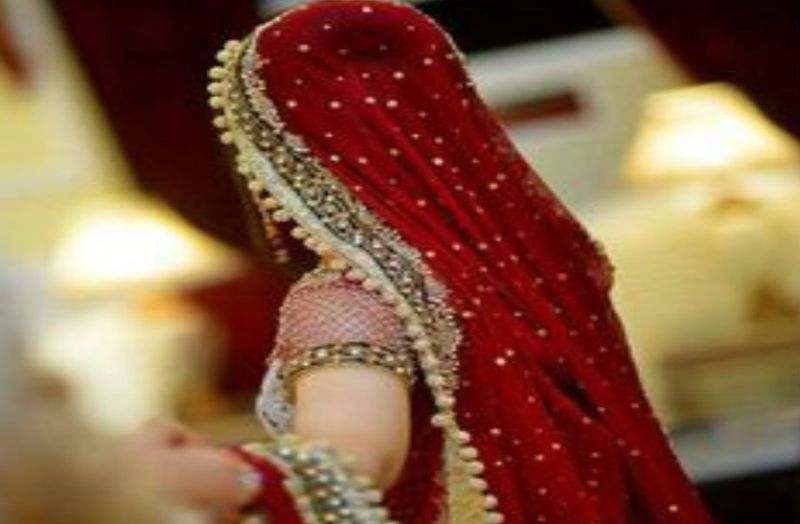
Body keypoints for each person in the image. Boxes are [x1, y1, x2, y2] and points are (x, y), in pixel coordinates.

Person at [206, 1, 715, 523]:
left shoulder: (349, 297)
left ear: (276, 149)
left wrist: (199, 477)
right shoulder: (537, 276)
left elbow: (353, 465)